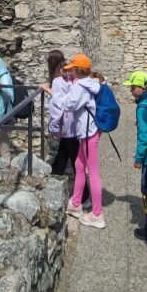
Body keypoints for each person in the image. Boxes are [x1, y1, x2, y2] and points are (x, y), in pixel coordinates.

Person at [48, 53, 106, 229]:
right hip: (88, 131)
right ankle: (75, 203)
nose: (69, 72)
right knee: (79, 166)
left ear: (78, 70)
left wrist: (52, 94)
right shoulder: (90, 83)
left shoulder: (80, 86)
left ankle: (97, 214)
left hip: (88, 132)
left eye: (72, 69)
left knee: (92, 171)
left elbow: (69, 104)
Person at [123, 69, 147, 244]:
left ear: (143, 88)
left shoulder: (142, 107)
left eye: (133, 87)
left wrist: (138, 158)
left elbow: (144, 136)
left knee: (146, 192)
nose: (131, 90)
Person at [47, 49, 90, 206]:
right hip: (73, 124)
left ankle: (84, 198)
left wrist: (54, 128)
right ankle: (53, 185)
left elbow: (57, 107)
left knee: (74, 160)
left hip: (67, 126)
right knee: (63, 156)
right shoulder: (69, 78)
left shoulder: (57, 81)